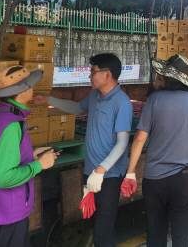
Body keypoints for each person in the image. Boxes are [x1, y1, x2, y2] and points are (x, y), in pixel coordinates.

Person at [31, 53, 132, 247]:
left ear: (107, 74)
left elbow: (122, 143)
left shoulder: (122, 102)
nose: (89, 75)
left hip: (108, 175)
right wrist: (48, 99)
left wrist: (101, 170)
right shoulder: (94, 95)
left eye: (92, 71)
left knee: (103, 227)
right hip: (90, 171)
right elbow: (77, 108)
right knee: (91, 221)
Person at [120, 54, 188, 247]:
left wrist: (130, 173)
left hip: (155, 181)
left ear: (169, 77)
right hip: (185, 180)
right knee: (181, 236)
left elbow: (139, 139)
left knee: (155, 234)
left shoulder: (154, 100)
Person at [0, 65, 58, 247]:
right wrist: (39, 166)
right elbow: (4, 178)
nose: (33, 89)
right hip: (5, 213)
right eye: (30, 85)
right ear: (21, 91)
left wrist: (29, 155)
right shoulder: (11, 124)